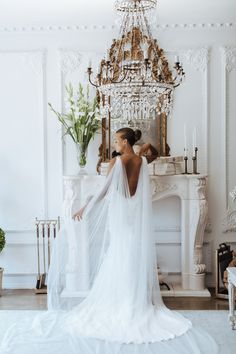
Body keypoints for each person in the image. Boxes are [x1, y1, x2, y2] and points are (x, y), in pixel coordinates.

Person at [0, 128, 219, 354]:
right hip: (135, 218)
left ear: (125, 141)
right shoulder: (142, 162)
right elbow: (149, 158)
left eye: (116, 140)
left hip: (120, 217)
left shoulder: (118, 163)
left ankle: (121, 304)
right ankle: (135, 303)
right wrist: (142, 149)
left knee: (119, 255)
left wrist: (84, 208)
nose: (114, 144)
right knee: (130, 256)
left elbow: (103, 191)